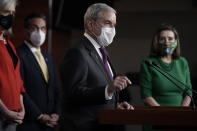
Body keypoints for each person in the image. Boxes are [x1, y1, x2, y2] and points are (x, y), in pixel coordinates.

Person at [60, 3, 133, 131]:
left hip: (104, 124)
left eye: (114, 25)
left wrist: (115, 106)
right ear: (90, 24)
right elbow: (73, 93)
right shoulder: (78, 52)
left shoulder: (101, 51)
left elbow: (100, 93)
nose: (112, 29)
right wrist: (108, 89)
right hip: (86, 126)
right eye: (108, 23)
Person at [139, 24, 192, 130]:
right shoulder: (148, 63)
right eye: (162, 39)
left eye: (170, 38)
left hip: (180, 120)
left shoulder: (182, 62)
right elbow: (146, 95)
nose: (167, 42)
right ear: (156, 42)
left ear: (176, 42)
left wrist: (181, 113)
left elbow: (188, 92)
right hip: (156, 118)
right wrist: (165, 116)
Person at [16, 13, 60, 131]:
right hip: (29, 123)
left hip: (50, 124)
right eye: (34, 28)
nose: (39, 32)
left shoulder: (48, 56)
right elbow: (20, 90)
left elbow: (55, 88)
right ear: (26, 31)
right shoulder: (18, 54)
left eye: (43, 28)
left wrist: (56, 113)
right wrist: (39, 116)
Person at [0, 0, 26, 130]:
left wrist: (21, 108)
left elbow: (18, 81)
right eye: (6, 12)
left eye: (13, 13)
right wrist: (5, 111)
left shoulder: (9, 43)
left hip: (13, 116)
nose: (10, 16)